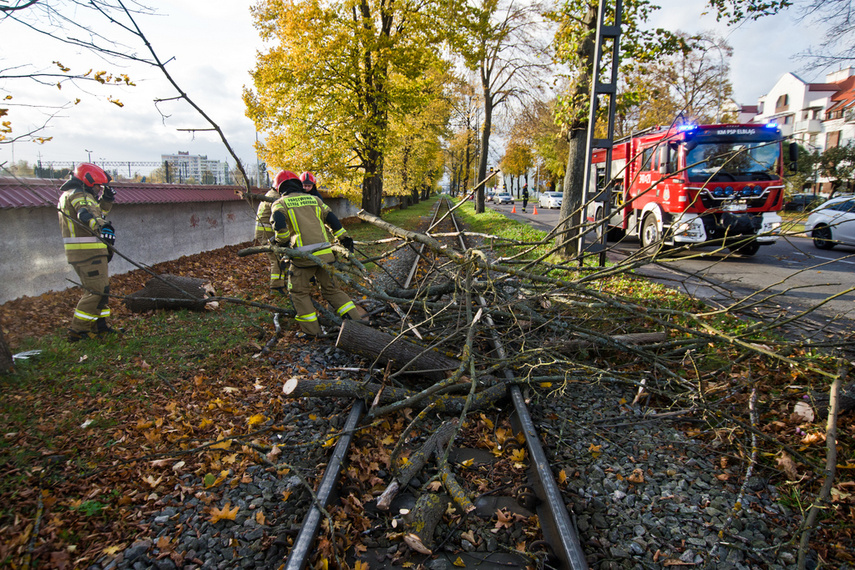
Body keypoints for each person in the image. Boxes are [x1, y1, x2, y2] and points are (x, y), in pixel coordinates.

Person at [270, 172, 361, 338]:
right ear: (298, 184)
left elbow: (281, 231)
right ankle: (358, 323)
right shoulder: (315, 200)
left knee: (298, 292)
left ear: (279, 188)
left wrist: (281, 245)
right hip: (326, 255)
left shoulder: (279, 204)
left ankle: (313, 333)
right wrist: (344, 239)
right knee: (332, 290)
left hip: (302, 259)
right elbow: (332, 219)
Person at [56, 163, 119, 342]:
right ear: (88, 181)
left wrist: (106, 201)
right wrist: (104, 228)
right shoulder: (78, 195)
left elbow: (97, 211)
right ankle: (79, 330)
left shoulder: (75, 195)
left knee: (102, 289)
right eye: (99, 185)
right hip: (87, 252)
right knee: (96, 290)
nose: (100, 189)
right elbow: (87, 215)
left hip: (88, 253)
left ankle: (99, 326)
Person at [255, 170, 291, 294]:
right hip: (267, 233)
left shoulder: (271, 194)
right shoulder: (276, 197)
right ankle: (276, 288)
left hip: (266, 232)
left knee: (279, 257)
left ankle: (281, 283)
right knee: (276, 259)